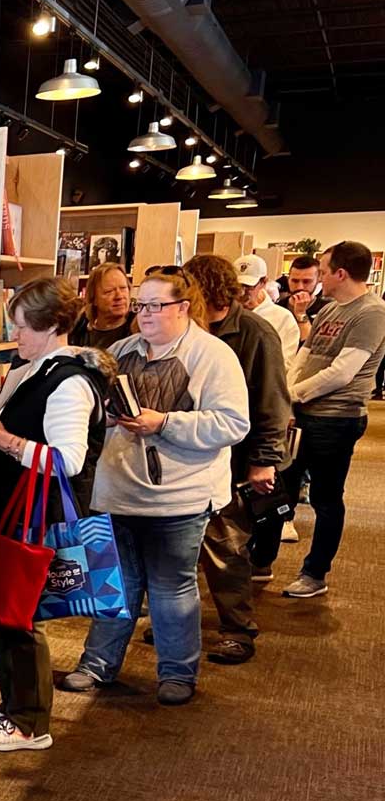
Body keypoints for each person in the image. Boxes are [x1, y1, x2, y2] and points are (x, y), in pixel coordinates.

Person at [61, 271, 250, 706]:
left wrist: (163, 422)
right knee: (118, 582)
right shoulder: (119, 351)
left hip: (179, 497)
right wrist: (102, 418)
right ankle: (97, 664)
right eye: (139, 305)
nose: (143, 314)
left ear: (183, 307)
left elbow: (232, 423)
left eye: (154, 305)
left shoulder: (212, 355)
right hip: (119, 489)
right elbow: (92, 408)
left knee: (171, 587)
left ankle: (177, 674)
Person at [0, 278, 113, 751]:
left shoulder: (68, 382)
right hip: (11, 510)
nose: (15, 335)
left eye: (21, 326)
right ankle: (15, 709)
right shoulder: (39, 371)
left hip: (33, 517)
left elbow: (67, 460)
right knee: (7, 614)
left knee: (21, 617)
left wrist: (1, 438)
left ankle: (29, 722)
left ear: (48, 326)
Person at [181, 254, 290, 665]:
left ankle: (236, 629)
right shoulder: (191, 330)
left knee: (227, 547)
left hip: (234, 461)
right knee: (185, 550)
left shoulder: (254, 334)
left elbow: (272, 402)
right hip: (189, 458)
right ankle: (183, 624)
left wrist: (264, 461)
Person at [280, 241, 385, 599]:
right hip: (303, 416)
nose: (317, 277)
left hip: (336, 420)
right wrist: (288, 393)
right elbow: (303, 356)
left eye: (323, 270)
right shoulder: (329, 309)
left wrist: (293, 394)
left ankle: (315, 573)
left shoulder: (371, 313)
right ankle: (261, 560)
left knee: (326, 498)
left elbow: (342, 373)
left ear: (341, 273)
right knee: (282, 487)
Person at [236, 255, 301, 380]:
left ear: (263, 282)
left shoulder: (283, 318)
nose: (242, 292)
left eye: (249, 286)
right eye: (238, 286)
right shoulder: (225, 314)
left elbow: (285, 365)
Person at [68, 262, 134, 350]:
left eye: (123, 288)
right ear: (93, 298)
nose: (119, 296)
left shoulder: (138, 332)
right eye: (109, 291)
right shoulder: (78, 331)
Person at [279, 254, 328, 346]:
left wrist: (301, 314)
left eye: (306, 281)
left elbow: (314, 348)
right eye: (295, 281)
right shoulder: (277, 308)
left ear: (318, 280)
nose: (300, 287)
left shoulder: (326, 310)